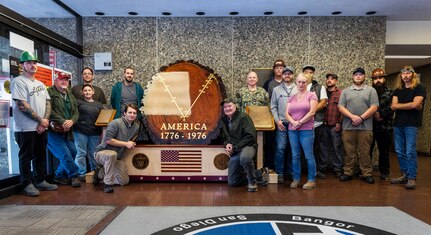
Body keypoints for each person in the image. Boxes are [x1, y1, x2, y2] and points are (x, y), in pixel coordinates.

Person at [10, 51, 57, 197]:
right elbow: (21, 105)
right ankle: (26, 183)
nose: (32, 65)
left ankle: (40, 180)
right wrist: (40, 120)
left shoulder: (41, 84)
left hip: (41, 127)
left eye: (34, 62)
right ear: (22, 65)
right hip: (25, 128)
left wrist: (45, 121)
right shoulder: (18, 81)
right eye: (29, 62)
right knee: (26, 156)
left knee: (40, 154)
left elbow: (48, 103)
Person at [338, 67, 378, 184]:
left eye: (361, 74)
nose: (358, 76)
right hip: (348, 127)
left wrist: (361, 118)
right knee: (348, 151)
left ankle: (366, 173)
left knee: (365, 152)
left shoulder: (371, 91)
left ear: (364, 76)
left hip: (365, 127)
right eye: (356, 75)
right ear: (353, 76)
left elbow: (374, 107)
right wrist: (352, 117)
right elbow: (341, 107)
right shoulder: (345, 91)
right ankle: (348, 172)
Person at [220, 97, 269, 192]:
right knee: (232, 182)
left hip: (248, 146)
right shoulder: (224, 120)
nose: (227, 108)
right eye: (225, 107)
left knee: (245, 158)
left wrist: (236, 147)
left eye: (229, 106)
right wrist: (227, 144)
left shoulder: (244, 117)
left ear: (235, 106)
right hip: (235, 150)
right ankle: (260, 173)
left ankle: (252, 182)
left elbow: (250, 136)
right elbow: (224, 138)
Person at [390, 66, 426, 189]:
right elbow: (393, 106)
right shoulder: (398, 90)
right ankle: (404, 175)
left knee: (410, 151)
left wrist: (402, 105)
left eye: (408, 73)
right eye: (403, 74)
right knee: (399, 151)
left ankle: (411, 178)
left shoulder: (419, 88)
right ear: (401, 76)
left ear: (413, 75)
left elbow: (415, 104)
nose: (405, 75)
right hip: (398, 124)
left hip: (412, 124)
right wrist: (410, 105)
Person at [93, 104, 140, 193]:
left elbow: (129, 141)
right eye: (130, 112)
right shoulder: (115, 123)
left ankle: (100, 172)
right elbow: (108, 140)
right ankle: (108, 184)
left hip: (117, 157)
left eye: (134, 113)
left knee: (124, 181)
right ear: (124, 113)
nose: (132, 115)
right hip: (102, 153)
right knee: (111, 155)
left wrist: (131, 143)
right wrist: (126, 144)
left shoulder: (136, 127)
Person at [47, 72, 81, 187]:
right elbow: (48, 111)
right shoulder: (49, 93)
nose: (64, 82)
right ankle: (74, 175)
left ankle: (59, 176)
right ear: (55, 80)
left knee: (73, 152)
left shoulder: (70, 95)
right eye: (61, 79)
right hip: (53, 132)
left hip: (67, 131)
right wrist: (63, 121)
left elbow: (76, 112)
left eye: (66, 80)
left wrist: (72, 121)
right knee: (65, 154)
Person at [285, 73, 318, 190]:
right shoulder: (292, 97)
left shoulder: (312, 95)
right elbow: (287, 114)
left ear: (307, 83)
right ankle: (296, 178)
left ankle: (311, 180)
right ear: (296, 82)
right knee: (295, 156)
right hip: (292, 130)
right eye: (299, 81)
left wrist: (300, 122)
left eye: (304, 82)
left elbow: (312, 112)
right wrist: (293, 122)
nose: (301, 84)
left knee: (309, 156)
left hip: (306, 130)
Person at [270, 66, 297, 183]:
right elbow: (273, 106)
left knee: (293, 149)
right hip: (282, 124)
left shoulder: (298, 88)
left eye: (289, 74)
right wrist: (277, 120)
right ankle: (279, 173)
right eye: (285, 73)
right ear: (282, 75)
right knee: (280, 148)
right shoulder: (276, 89)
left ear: (293, 75)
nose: (287, 75)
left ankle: (291, 172)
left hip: (295, 125)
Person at [73, 84, 104, 179]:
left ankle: (95, 172)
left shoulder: (99, 105)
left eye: (89, 90)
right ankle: (81, 173)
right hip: (80, 131)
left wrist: (103, 132)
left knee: (93, 154)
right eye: (85, 90)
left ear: (93, 92)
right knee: (81, 153)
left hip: (94, 132)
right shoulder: (77, 103)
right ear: (82, 93)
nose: (87, 92)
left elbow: (103, 118)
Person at [303, 65, 328, 179]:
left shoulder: (320, 87)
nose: (308, 74)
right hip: (302, 123)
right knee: (304, 148)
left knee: (317, 148)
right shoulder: (298, 86)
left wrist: (311, 111)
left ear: (313, 74)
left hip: (316, 123)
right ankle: (305, 170)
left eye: (311, 72)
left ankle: (317, 170)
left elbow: (323, 102)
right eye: (306, 72)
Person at [370, 68, 394, 180]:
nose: (378, 80)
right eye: (375, 78)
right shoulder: (369, 92)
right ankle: (366, 171)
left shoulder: (391, 93)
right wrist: (374, 114)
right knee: (367, 150)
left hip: (385, 127)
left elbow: (392, 107)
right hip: (369, 126)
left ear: (384, 78)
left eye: (380, 78)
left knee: (384, 151)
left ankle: (384, 172)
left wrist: (380, 114)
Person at [262, 59, 286, 170]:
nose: (279, 70)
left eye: (281, 68)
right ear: (274, 69)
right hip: (269, 118)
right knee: (269, 143)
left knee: (282, 145)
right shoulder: (268, 83)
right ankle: (269, 166)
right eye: (277, 68)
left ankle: (281, 168)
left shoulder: (288, 83)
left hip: (284, 118)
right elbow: (264, 99)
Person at [320, 73, 344, 177]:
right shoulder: (322, 92)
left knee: (337, 147)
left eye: (332, 79)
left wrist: (339, 122)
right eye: (328, 79)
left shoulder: (341, 93)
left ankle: (338, 168)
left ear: (336, 81)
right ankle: (322, 168)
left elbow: (343, 109)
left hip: (335, 125)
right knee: (323, 148)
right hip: (323, 125)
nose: (329, 80)